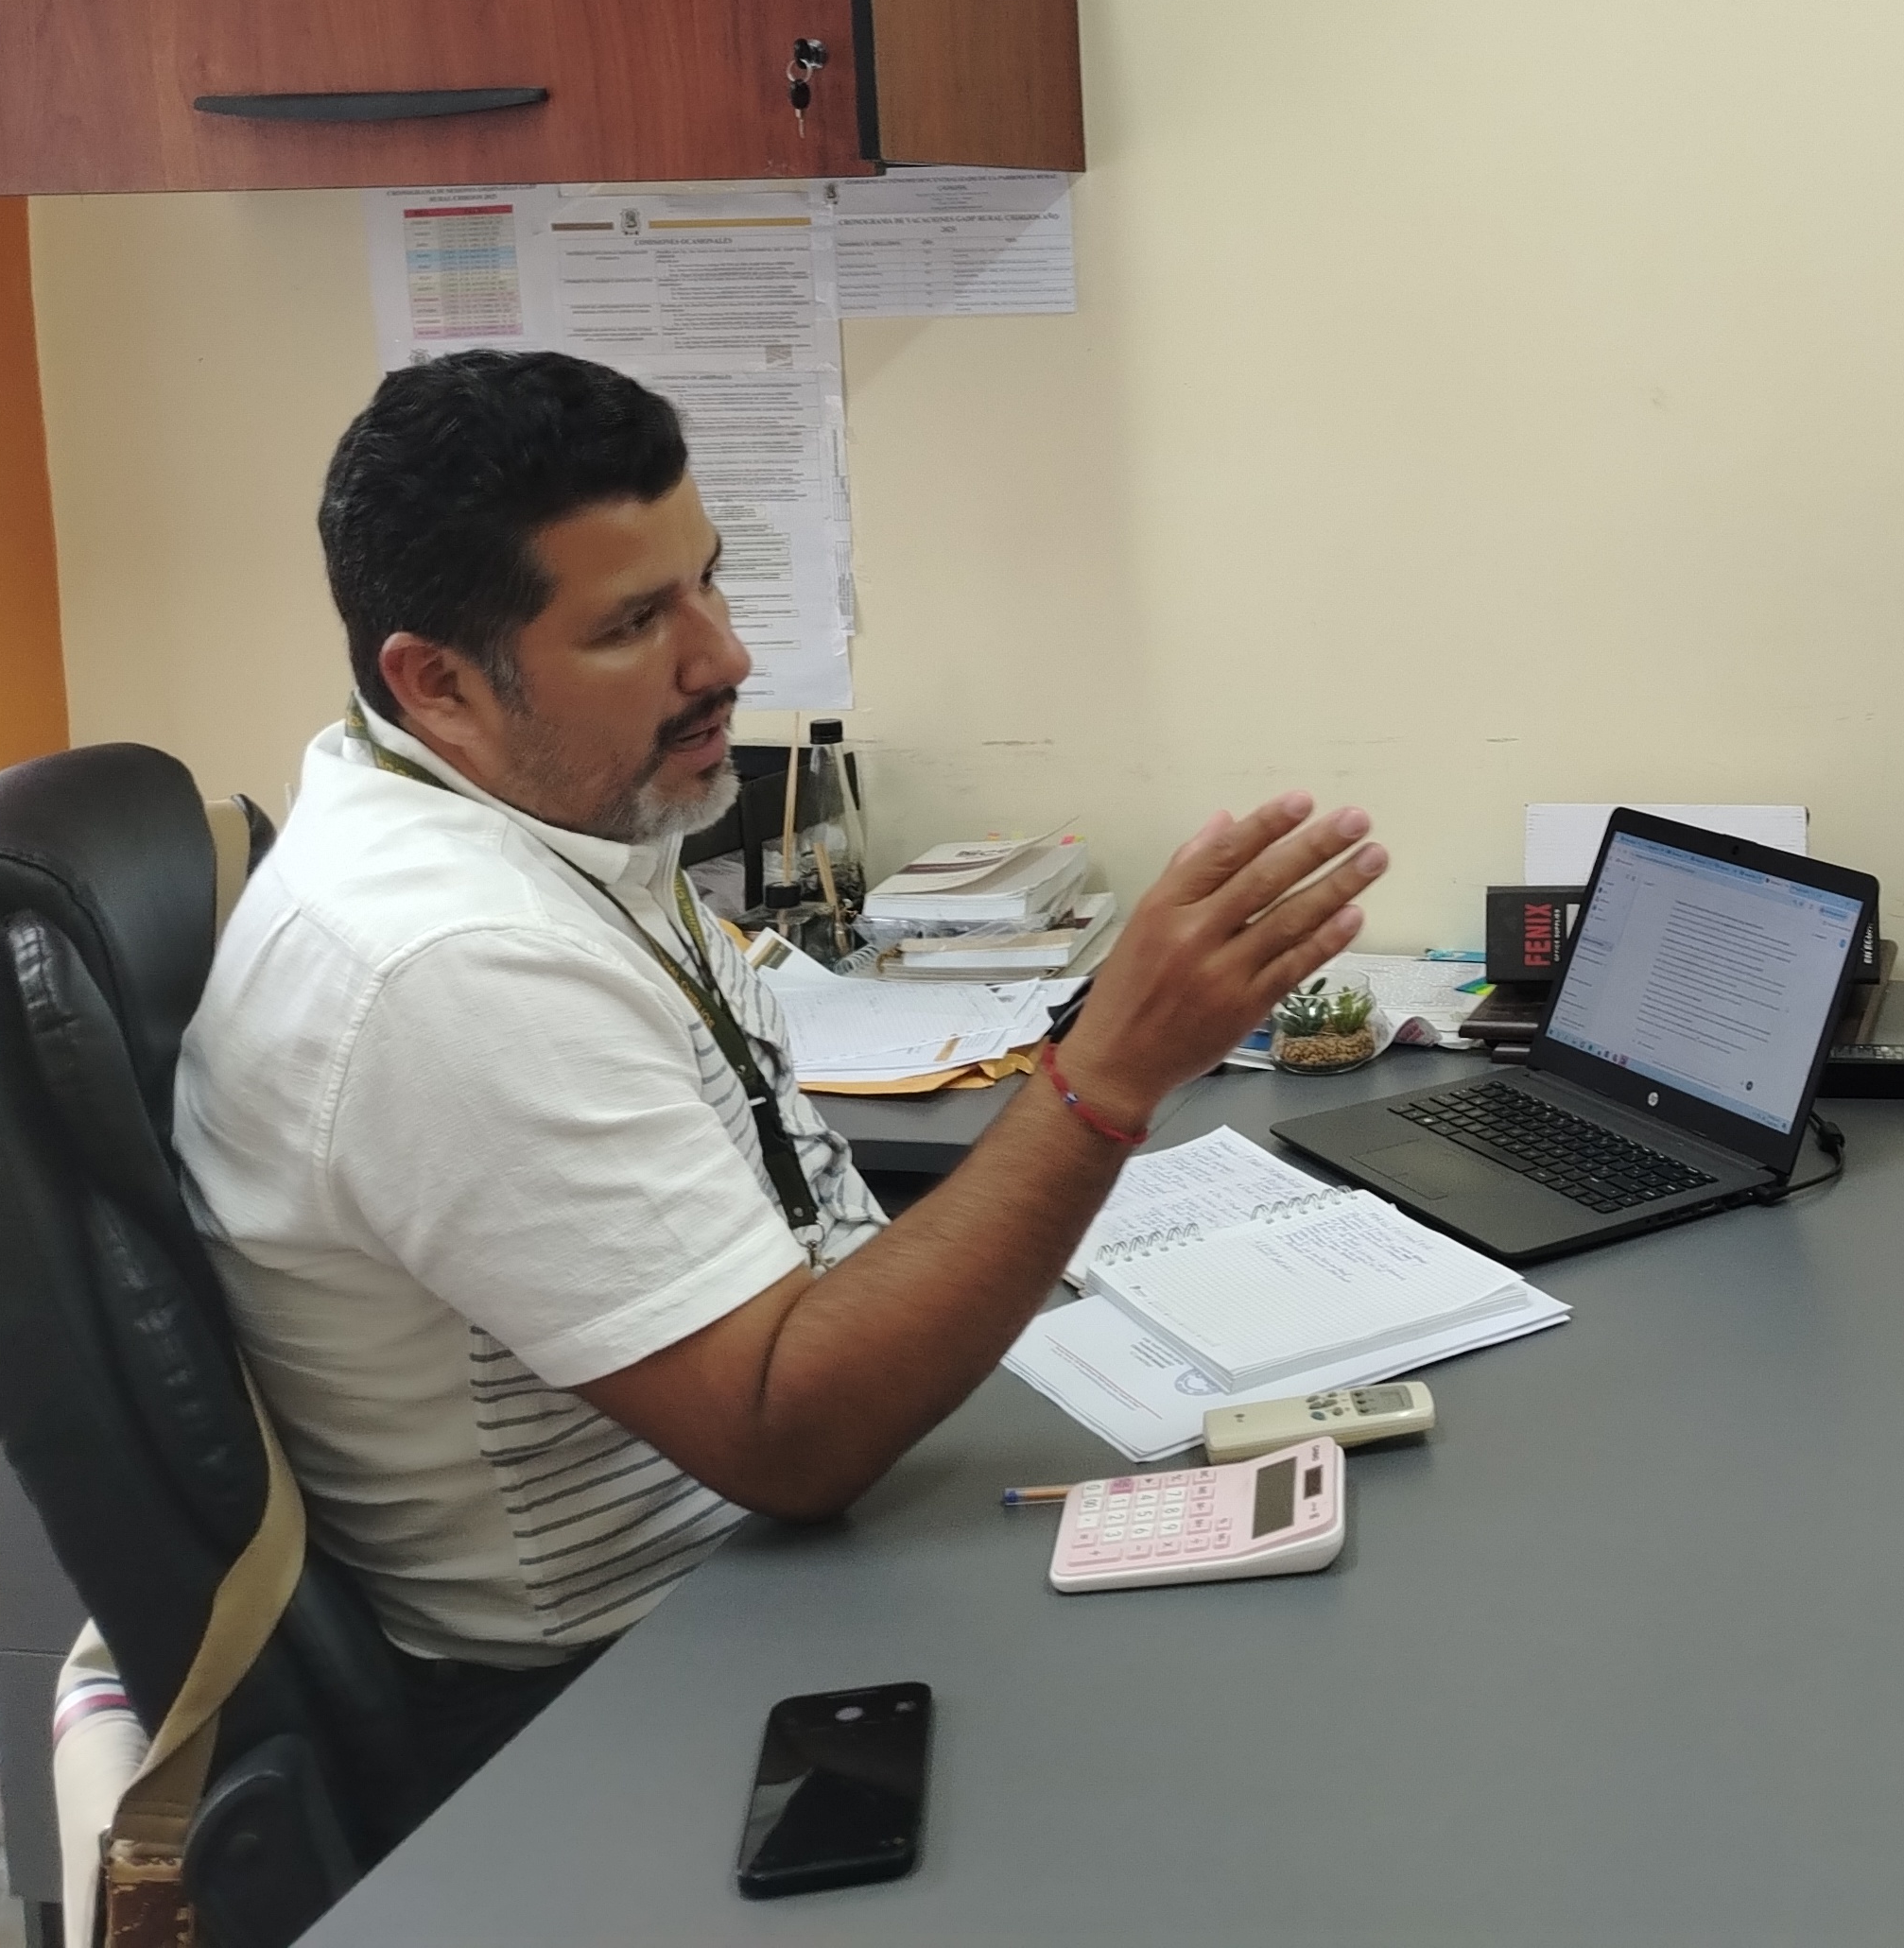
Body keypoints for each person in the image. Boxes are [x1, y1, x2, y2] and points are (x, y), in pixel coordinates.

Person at [176, 350, 1382, 1811]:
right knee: (1290, 1746)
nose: (726, 659)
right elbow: (784, 1433)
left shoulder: (547, 817)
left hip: (772, 1567)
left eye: (709, 581)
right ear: (437, 683)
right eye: (635, 624)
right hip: (627, 1691)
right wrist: (1107, 1074)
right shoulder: (449, 963)